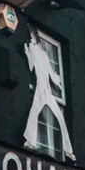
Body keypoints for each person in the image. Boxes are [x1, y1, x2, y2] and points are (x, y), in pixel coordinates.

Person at [23, 26, 75, 161]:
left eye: (33, 36)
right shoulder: (33, 50)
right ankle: (30, 142)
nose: (32, 39)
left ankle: (69, 151)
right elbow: (30, 67)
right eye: (31, 37)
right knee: (34, 113)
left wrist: (57, 81)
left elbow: (51, 73)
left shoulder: (43, 53)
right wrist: (28, 53)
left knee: (59, 117)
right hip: (40, 89)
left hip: (47, 90)